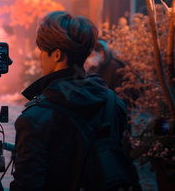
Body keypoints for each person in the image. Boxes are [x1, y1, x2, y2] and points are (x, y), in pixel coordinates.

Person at [10, 11, 140, 190]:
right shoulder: (112, 102)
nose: (39, 57)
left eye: (42, 51)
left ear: (56, 55)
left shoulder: (35, 118)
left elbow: (28, 185)